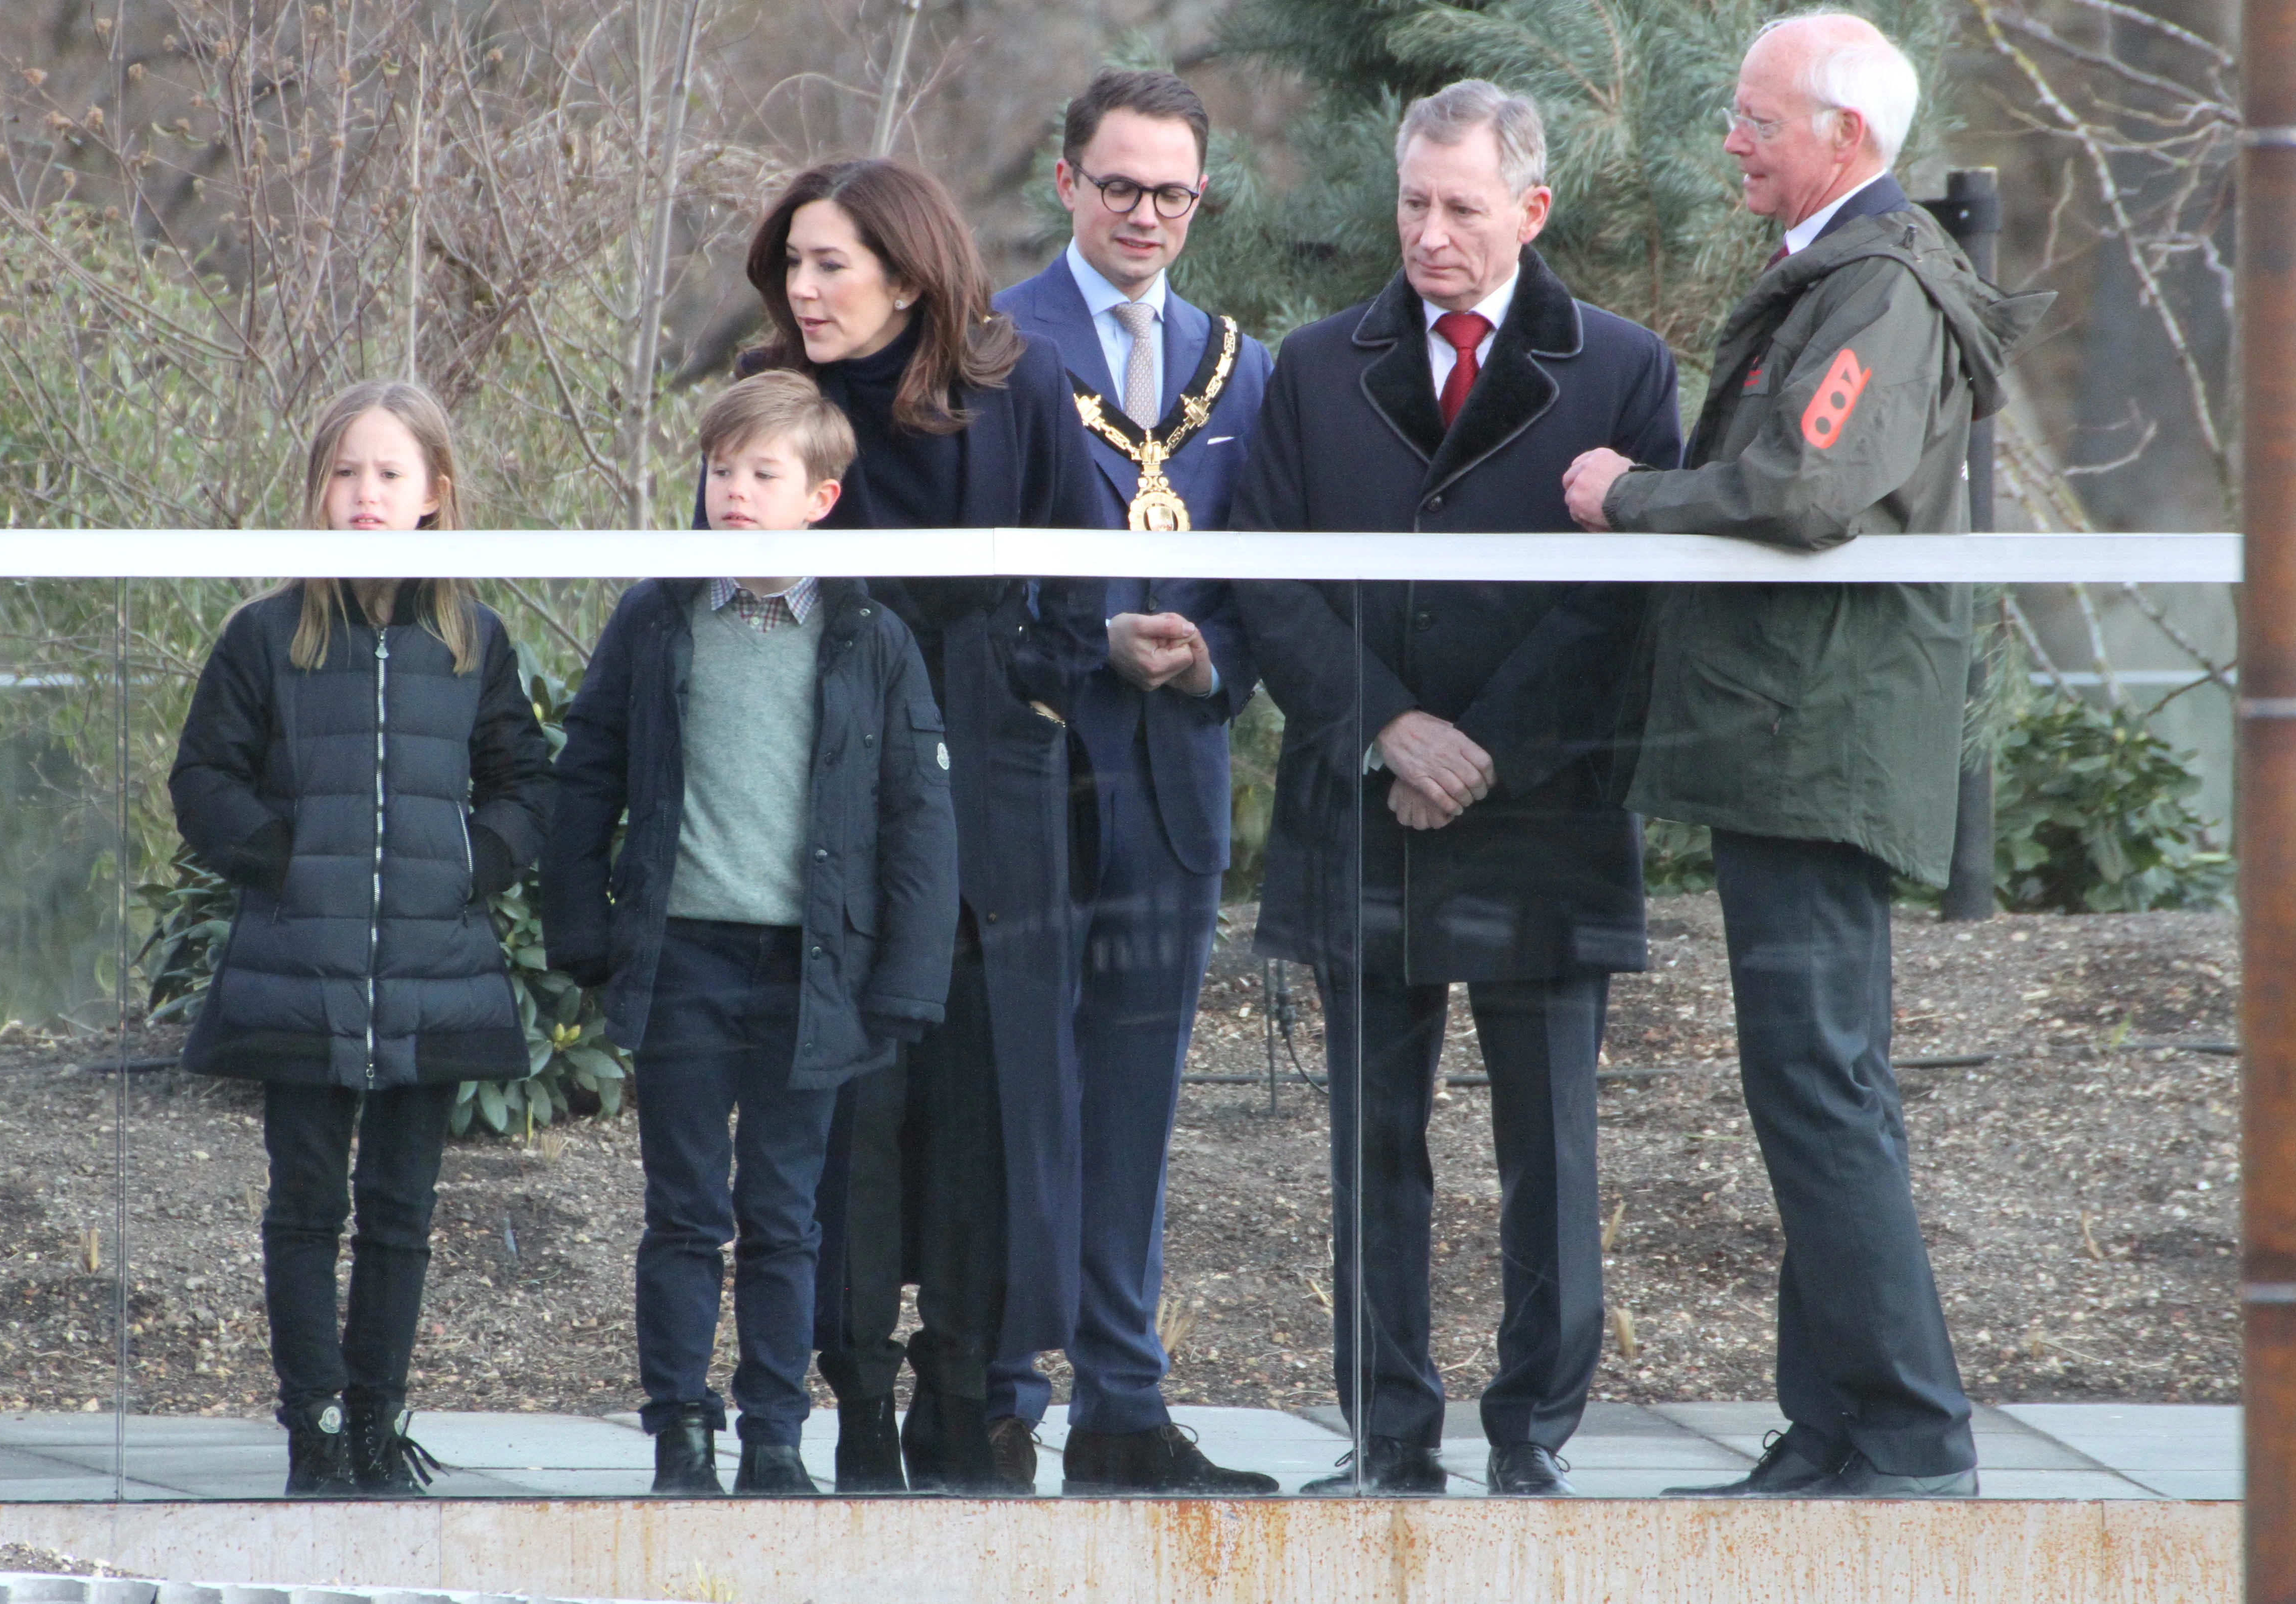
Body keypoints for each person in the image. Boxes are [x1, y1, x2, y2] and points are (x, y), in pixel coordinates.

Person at [1562, 14, 2051, 1499]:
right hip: (1801, 733)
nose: (1729, 139)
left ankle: (1904, 1429)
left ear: (1842, 138)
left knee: (1818, 1082)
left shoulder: (1881, 285)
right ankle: (1835, 1426)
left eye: (1753, 119)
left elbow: (1804, 484)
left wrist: (1624, 496)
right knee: (1816, 1082)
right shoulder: (1851, 272)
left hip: (1814, 740)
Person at [1231, 81, 1681, 1497]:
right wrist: (1387, 728)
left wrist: (1478, 745)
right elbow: (1264, 577)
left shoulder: (1619, 370)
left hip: (1540, 807)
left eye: (1460, 208)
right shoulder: (1311, 367)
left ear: (1529, 211)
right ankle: (1386, 1435)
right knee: (1374, 1146)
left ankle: (1532, 1435)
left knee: (1548, 1145)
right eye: (1411, 204)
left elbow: (1623, 606)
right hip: (1362, 802)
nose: (1427, 234)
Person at [707, 157, 1111, 1493]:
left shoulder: (1020, 387)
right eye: (790, 267)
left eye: (827, 263)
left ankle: (968, 1410)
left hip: (996, 829)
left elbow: (1081, 574)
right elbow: (719, 599)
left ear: (906, 268)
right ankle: (859, 1417)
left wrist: (1034, 706)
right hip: (829, 830)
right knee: (852, 1128)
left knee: (984, 1122)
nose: (800, 290)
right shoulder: (776, 403)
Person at [544, 372, 958, 1498]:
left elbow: (918, 815)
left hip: (812, 969)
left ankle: (776, 1432)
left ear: (819, 497)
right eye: (719, 469)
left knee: (784, 1214)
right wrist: (586, 937)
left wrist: (905, 981)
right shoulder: (658, 613)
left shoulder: (868, 631)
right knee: (684, 1210)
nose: (732, 490)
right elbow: (586, 776)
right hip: (682, 955)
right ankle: (681, 1424)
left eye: (760, 473)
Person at [168, 381, 553, 1497]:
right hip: (301, 975)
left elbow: (528, 782)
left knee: (401, 1209)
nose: (365, 492)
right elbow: (203, 779)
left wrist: (470, 863)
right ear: (317, 489)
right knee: (304, 1206)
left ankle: (380, 1422)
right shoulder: (266, 635)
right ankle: (317, 1425)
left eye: (389, 472)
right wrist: (287, 860)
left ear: (436, 492)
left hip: (434, 975)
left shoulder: (471, 639)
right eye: (346, 471)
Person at [984, 68, 1275, 1496]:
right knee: (1012, 1091)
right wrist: (1084, 636)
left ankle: (1120, 1402)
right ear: (1064, 182)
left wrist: (1208, 654)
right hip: (1035, 768)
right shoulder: (993, 341)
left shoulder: (1242, 362)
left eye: (1171, 191)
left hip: (1172, 772)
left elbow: (1264, 573)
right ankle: (991, 1394)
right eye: (1119, 186)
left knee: (1135, 1104)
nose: (1145, 213)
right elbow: (968, 579)